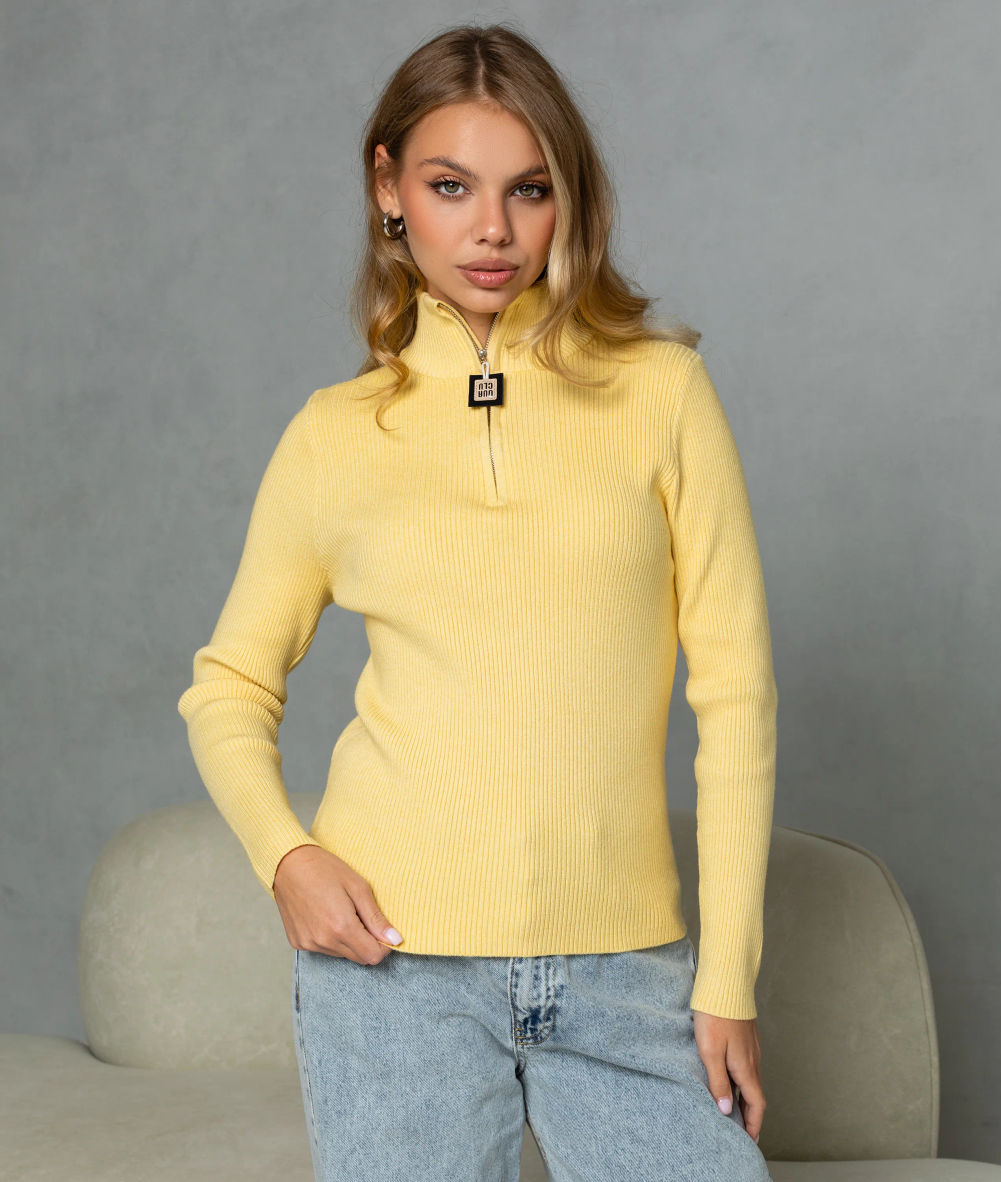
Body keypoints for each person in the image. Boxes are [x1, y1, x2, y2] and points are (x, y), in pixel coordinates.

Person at [177, 22, 778, 1182]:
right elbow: (228, 685)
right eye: (450, 187)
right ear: (389, 189)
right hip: (392, 972)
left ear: (569, 200)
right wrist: (286, 857)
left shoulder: (663, 394)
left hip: (623, 971)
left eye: (528, 189)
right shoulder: (334, 436)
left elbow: (737, 696)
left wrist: (728, 982)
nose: (492, 230)